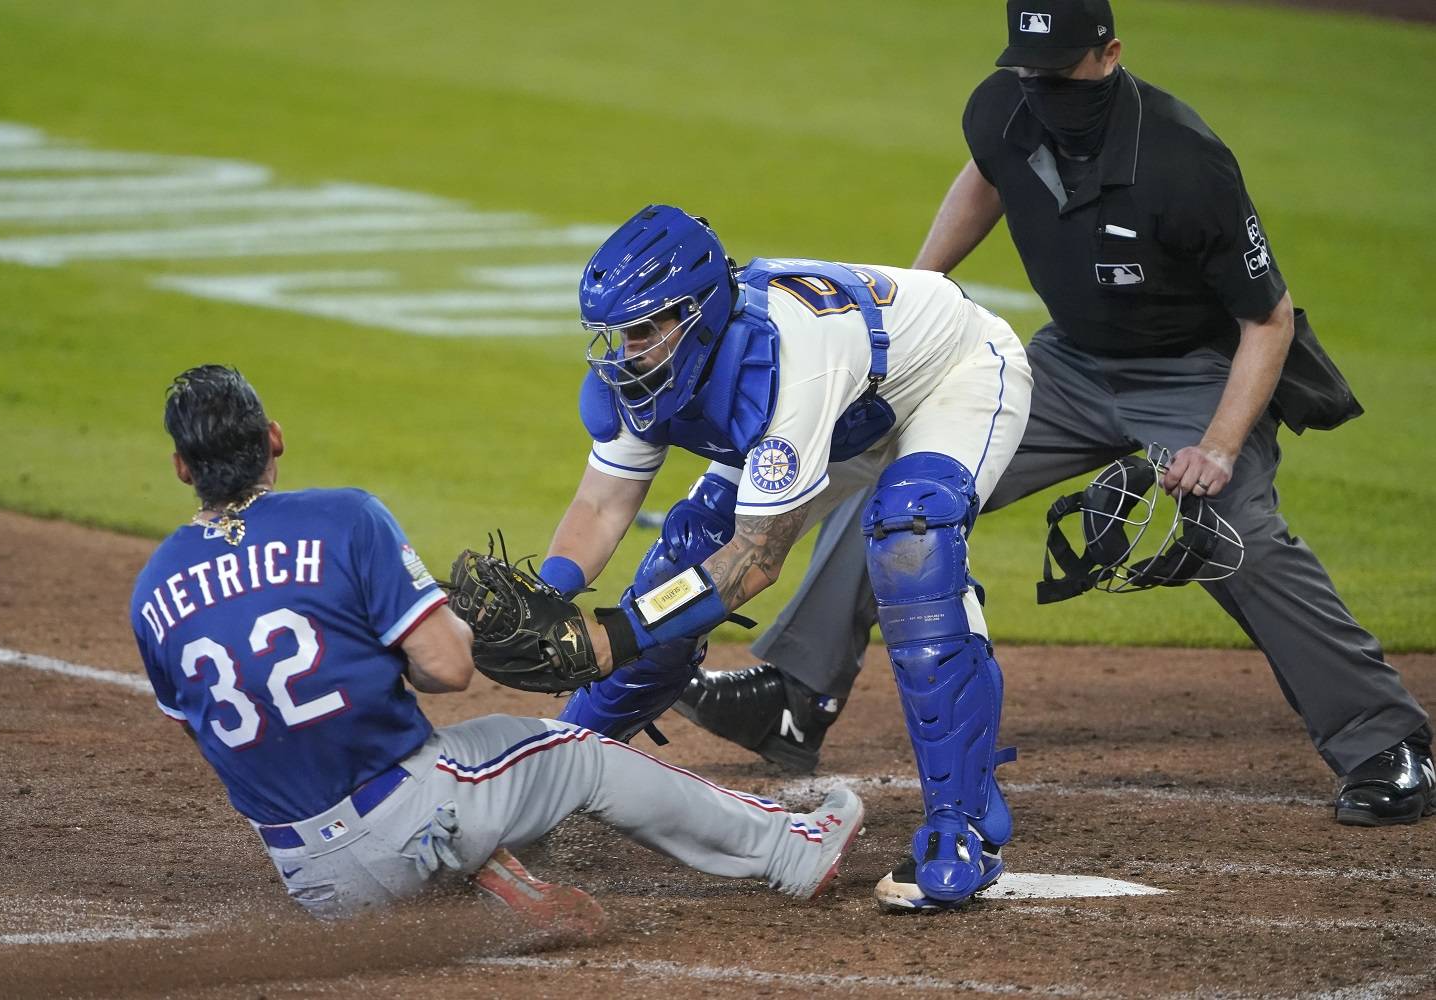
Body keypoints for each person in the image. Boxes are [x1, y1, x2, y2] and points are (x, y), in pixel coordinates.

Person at [673, 0, 1435, 829]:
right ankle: (793, 694)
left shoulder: (1184, 162)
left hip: (1195, 374)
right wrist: (907, 309)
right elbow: (986, 176)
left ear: (1109, 55)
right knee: (894, 473)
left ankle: (1386, 742)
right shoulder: (1006, 106)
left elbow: (1270, 319)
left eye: (1061, 70)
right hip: (1068, 365)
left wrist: (1217, 448)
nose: (1043, 88)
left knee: (1234, 538)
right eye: (1030, 69)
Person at [128, 364, 864, 923]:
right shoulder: (345, 519)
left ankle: (489, 885)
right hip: (413, 821)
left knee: (446, 769)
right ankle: (788, 849)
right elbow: (447, 669)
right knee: (576, 754)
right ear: (272, 439)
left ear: (182, 468)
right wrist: (438, 629)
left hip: (313, 883)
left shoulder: (152, 591)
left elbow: (228, 731)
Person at [529, 204, 1033, 910]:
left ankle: (966, 824)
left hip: (951, 379)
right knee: (681, 561)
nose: (625, 350)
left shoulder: (781, 366)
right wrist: (551, 592)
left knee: (912, 537)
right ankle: (539, 779)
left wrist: (620, 632)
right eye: (618, 333)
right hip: (844, 412)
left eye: (643, 330)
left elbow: (754, 561)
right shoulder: (655, 376)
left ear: (695, 315)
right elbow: (601, 506)